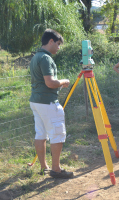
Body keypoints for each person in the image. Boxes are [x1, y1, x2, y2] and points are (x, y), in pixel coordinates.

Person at [29, 29, 73, 178]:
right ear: (51, 41)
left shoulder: (36, 57)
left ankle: (44, 166)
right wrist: (63, 82)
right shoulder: (46, 59)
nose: (59, 48)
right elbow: (50, 83)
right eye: (58, 44)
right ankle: (56, 169)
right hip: (48, 103)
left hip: (36, 101)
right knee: (57, 135)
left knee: (40, 134)